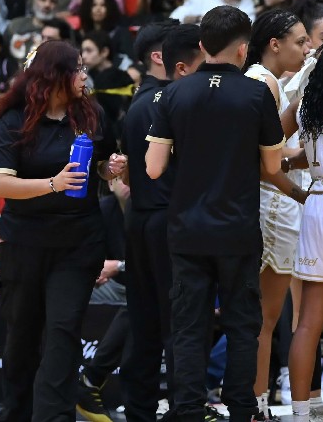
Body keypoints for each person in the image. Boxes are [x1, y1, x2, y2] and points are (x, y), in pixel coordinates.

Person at [145, 5, 306, 422]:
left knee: (188, 326)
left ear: (201, 46)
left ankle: (186, 410)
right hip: (236, 229)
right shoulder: (256, 95)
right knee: (242, 325)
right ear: (243, 49)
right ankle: (242, 410)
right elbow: (271, 168)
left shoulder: (173, 94)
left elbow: (153, 167)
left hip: (186, 229)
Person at [0, 40, 125, 422]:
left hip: (78, 243)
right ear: (54, 77)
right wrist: (53, 183)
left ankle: (55, 417)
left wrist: (107, 169)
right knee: (23, 335)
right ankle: (16, 413)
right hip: (23, 241)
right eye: (76, 69)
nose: (84, 75)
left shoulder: (91, 114)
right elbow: (2, 186)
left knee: (63, 331)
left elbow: (95, 165)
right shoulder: (14, 120)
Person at [117, 23, 204, 422]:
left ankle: (140, 410)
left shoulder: (137, 103)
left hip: (140, 219)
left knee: (145, 323)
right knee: (177, 326)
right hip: (168, 219)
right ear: (160, 56)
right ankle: (184, 410)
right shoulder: (169, 101)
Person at [239, 9, 310, 421]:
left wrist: (301, 159)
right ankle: (253, 405)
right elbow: (265, 161)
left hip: (266, 201)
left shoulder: (266, 82)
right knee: (262, 319)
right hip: (269, 205)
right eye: (300, 41)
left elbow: (274, 155)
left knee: (262, 318)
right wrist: (304, 195)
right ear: (274, 44)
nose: (305, 49)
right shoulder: (262, 83)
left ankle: (256, 402)